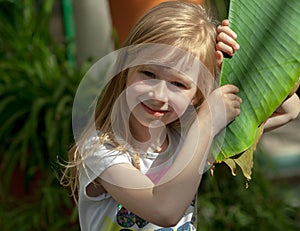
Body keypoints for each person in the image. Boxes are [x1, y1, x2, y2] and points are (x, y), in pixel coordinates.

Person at [61, 1, 300, 231]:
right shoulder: (103, 151)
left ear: (196, 95)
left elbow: (289, 109)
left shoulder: (184, 136)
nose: (159, 94)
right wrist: (206, 124)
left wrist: (233, 59)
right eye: (148, 73)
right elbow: (164, 211)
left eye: (178, 84)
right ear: (126, 70)